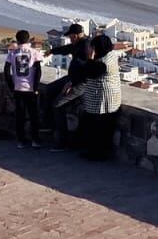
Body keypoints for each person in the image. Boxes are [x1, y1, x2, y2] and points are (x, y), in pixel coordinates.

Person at [41, 23, 90, 149]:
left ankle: (62, 141)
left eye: (73, 36)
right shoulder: (77, 44)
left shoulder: (85, 47)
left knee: (58, 104)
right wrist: (52, 51)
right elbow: (67, 49)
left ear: (79, 35)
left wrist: (72, 83)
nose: (71, 39)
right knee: (49, 89)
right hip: (71, 79)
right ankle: (47, 125)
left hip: (80, 83)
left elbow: (85, 70)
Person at [76, 33, 123, 161]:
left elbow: (90, 73)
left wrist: (90, 59)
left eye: (92, 47)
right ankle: (98, 152)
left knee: (98, 129)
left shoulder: (103, 63)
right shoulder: (111, 55)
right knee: (103, 128)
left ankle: (96, 154)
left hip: (103, 100)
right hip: (109, 99)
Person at [4, 30, 44, 148]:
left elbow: (6, 71)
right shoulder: (34, 52)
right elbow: (38, 71)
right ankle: (35, 140)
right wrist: (35, 87)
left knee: (20, 116)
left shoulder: (12, 53)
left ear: (17, 40)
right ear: (28, 40)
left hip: (17, 89)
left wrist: (12, 86)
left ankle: (21, 141)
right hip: (31, 90)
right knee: (33, 115)